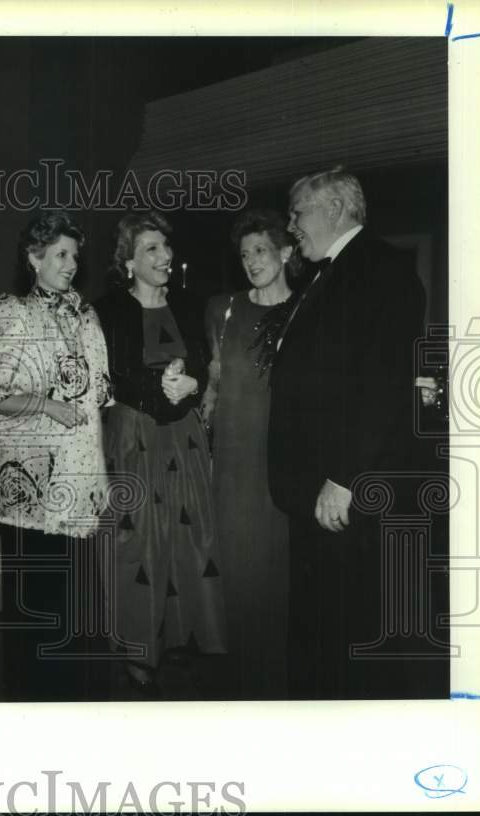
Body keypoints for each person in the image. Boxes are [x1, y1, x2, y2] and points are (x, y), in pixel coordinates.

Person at [269, 167, 427, 699]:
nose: (290, 226)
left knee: (351, 633)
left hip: (344, 491)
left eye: (298, 213)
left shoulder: (381, 269)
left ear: (334, 209)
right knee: (323, 630)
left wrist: (344, 476)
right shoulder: (327, 274)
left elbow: (384, 386)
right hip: (316, 489)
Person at [0, 210, 112, 702]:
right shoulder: (13, 314)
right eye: (61, 254)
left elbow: (93, 407)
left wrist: (102, 474)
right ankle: (30, 710)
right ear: (34, 258)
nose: (71, 264)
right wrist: (45, 404)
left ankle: (69, 707)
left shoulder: (86, 317)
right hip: (28, 489)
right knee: (35, 612)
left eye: (75, 256)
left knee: (72, 609)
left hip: (77, 481)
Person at [95, 211, 226, 697]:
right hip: (135, 437)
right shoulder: (106, 310)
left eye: (165, 247)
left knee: (192, 535)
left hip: (184, 437)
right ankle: (138, 651)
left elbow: (204, 363)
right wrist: (157, 385)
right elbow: (109, 376)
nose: (164, 256)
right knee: (139, 542)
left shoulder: (192, 305)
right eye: (150, 248)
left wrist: (190, 385)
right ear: (129, 260)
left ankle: (186, 636)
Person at [201, 209, 300, 699]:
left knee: (277, 586)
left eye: (260, 250)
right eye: (244, 254)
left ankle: (275, 693)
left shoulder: (304, 310)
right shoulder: (222, 309)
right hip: (231, 467)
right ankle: (239, 692)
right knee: (233, 582)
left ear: (285, 252)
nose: (251, 261)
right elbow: (214, 388)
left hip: (278, 467)